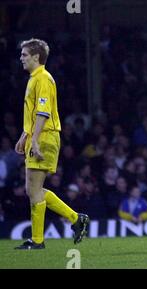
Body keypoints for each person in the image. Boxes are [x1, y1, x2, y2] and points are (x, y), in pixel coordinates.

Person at [14, 38, 90, 250]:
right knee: (32, 189)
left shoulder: (44, 78)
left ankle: (40, 239)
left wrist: (35, 140)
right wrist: (24, 135)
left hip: (45, 136)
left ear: (36, 57)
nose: (21, 58)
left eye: (24, 54)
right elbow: (33, 114)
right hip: (37, 135)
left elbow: (43, 113)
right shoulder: (34, 78)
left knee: (34, 189)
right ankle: (75, 219)